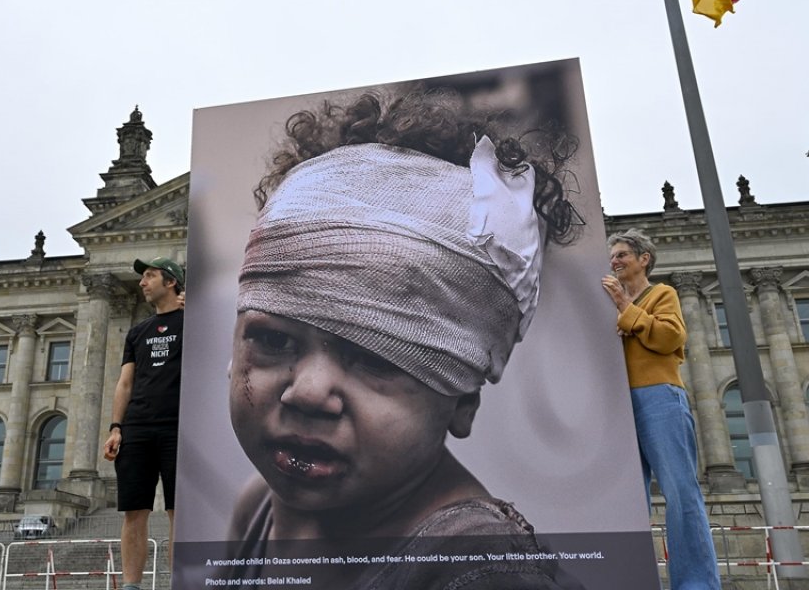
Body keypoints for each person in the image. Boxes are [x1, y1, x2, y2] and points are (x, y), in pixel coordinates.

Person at [225, 90, 582, 589]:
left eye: (375, 357)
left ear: (463, 402)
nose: (306, 392)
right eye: (274, 341)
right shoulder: (259, 506)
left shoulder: (484, 573)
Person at [601, 229, 720, 590]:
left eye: (622, 255)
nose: (615, 261)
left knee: (680, 491)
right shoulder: (608, 301)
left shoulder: (661, 293)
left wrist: (626, 308)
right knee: (628, 496)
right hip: (617, 402)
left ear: (643, 259)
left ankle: (696, 583)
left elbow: (671, 337)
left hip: (658, 396)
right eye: (613, 256)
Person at [103, 257, 185, 590]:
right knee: (134, 511)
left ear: (171, 282)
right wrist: (115, 426)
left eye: (149, 276)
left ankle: (180, 581)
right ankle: (131, 586)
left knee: (178, 512)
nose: (141, 282)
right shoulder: (138, 332)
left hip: (179, 426)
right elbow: (125, 383)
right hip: (137, 427)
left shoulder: (193, 322)